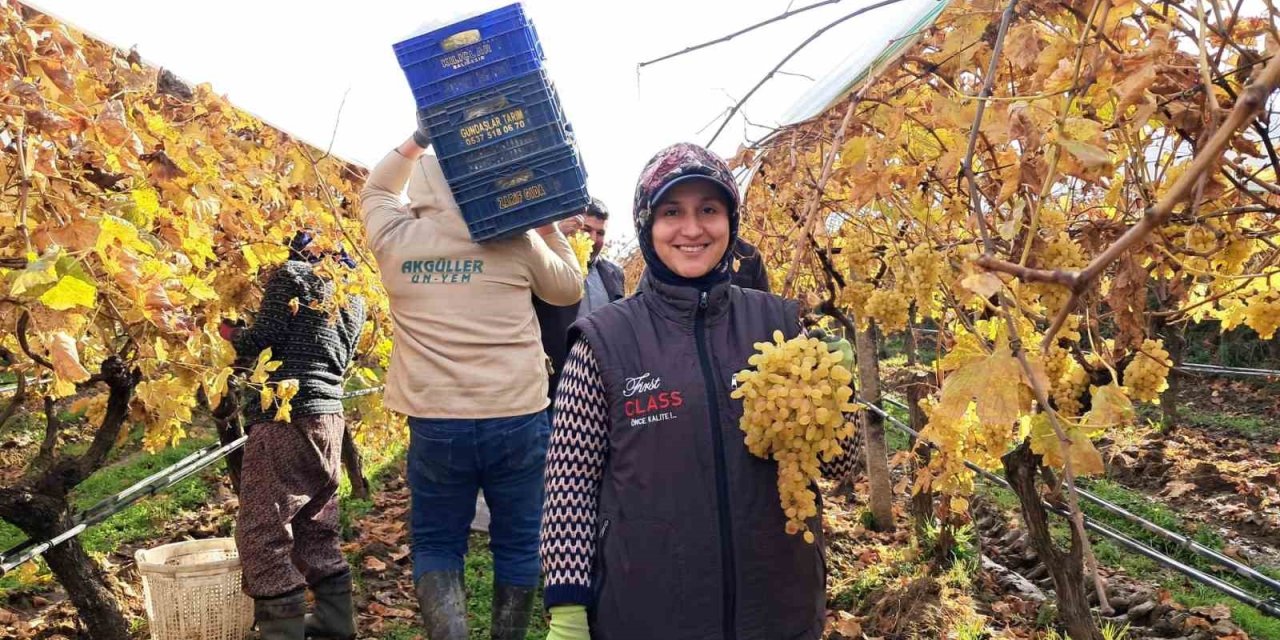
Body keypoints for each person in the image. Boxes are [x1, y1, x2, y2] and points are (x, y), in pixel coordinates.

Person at [539, 143, 856, 640]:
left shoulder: (781, 324)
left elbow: (838, 468)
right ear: (647, 225)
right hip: (647, 613)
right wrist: (567, 607)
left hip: (777, 608)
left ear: (730, 221)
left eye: (708, 210)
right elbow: (569, 485)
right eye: (672, 212)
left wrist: (838, 393)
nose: (691, 229)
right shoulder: (604, 340)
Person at [359, 126, 584, 640]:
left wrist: (418, 139)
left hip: (436, 419)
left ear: (425, 186)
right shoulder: (516, 241)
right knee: (519, 541)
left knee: (438, 542)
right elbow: (568, 289)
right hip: (517, 414)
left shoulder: (396, 239)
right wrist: (547, 225)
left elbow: (377, 189)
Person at [221, 232, 367, 640]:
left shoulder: (293, 275)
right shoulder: (354, 294)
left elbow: (261, 338)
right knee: (315, 521)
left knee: (262, 530)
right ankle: (336, 623)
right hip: (329, 417)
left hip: (285, 415)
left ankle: (282, 632)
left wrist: (227, 332)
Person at [534, 197, 625, 404]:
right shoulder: (547, 265)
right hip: (555, 383)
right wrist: (554, 235)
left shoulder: (614, 274)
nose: (593, 238)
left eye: (600, 233)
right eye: (586, 229)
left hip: (602, 382)